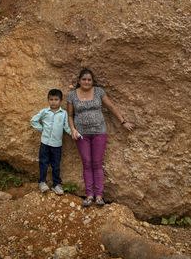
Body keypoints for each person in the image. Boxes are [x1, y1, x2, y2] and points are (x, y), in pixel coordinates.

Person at [66, 68, 134, 207]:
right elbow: (70, 115)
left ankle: (99, 196)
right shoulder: (72, 95)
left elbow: (111, 107)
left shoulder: (99, 92)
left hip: (99, 132)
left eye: (89, 79)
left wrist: (123, 121)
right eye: (84, 79)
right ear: (79, 81)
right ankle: (89, 195)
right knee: (87, 163)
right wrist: (72, 129)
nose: (86, 82)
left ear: (92, 81)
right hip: (81, 135)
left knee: (97, 163)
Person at [30, 88, 71, 195]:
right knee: (43, 163)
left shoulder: (64, 114)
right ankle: (42, 182)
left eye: (56, 99)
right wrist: (42, 129)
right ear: (48, 100)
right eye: (51, 99)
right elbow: (33, 120)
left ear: (60, 100)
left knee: (56, 165)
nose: (53, 102)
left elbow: (66, 127)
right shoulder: (44, 112)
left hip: (57, 145)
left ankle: (56, 184)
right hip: (45, 143)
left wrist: (74, 133)